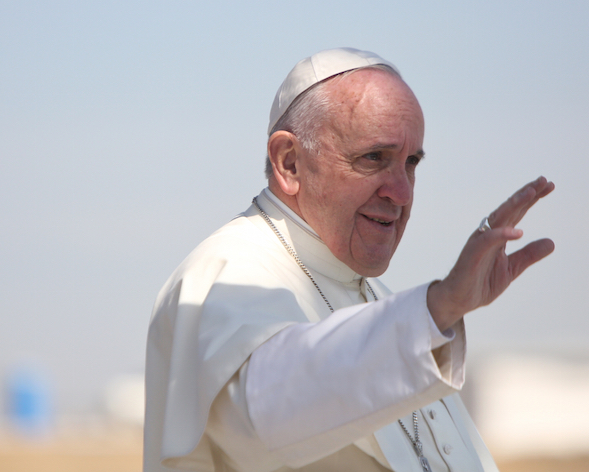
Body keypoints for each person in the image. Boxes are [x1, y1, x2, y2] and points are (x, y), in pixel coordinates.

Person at [144, 47, 555, 472]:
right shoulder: (223, 272)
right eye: (374, 158)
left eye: (410, 163)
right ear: (289, 162)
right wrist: (438, 308)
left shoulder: (373, 293)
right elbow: (266, 411)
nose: (401, 192)